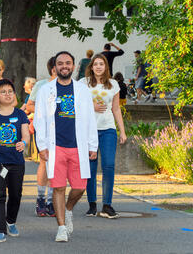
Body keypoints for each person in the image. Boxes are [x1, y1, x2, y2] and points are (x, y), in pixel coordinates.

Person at [34, 51, 98, 242]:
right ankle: (61, 227)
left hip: (78, 146)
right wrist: (42, 146)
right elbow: (39, 119)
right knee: (58, 187)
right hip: (56, 147)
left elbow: (90, 119)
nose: (64, 66)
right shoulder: (46, 90)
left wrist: (92, 144)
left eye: (68, 63)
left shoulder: (82, 90)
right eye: (60, 63)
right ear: (55, 67)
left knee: (79, 188)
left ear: (73, 65)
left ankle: (68, 209)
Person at [0, 79, 30, 243]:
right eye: (3, 92)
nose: (7, 94)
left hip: (16, 162)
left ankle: (11, 221)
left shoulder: (20, 114)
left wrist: (23, 143)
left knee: (16, 195)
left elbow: (26, 136)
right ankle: (0, 231)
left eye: (10, 91)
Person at [80, 54, 127, 218]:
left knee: (108, 166)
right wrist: (90, 104)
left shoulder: (113, 84)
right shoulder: (83, 83)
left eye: (102, 64)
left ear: (106, 67)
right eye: (96, 64)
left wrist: (122, 130)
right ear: (91, 67)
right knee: (91, 168)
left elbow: (116, 108)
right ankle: (92, 204)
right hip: (88, 130)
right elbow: (75, 103)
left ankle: (107, 205)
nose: (99, 67)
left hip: (107, 129)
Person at [25, 56, 57, 217]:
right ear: (53, 69)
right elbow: (29, 105)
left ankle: (51, 200)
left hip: (61, 130)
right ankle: (40, 198)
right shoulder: (42, 85)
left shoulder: (68, 86)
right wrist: (45, 107)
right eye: (60, 65)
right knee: (45, 161)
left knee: (55, 163)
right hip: (44, 129)